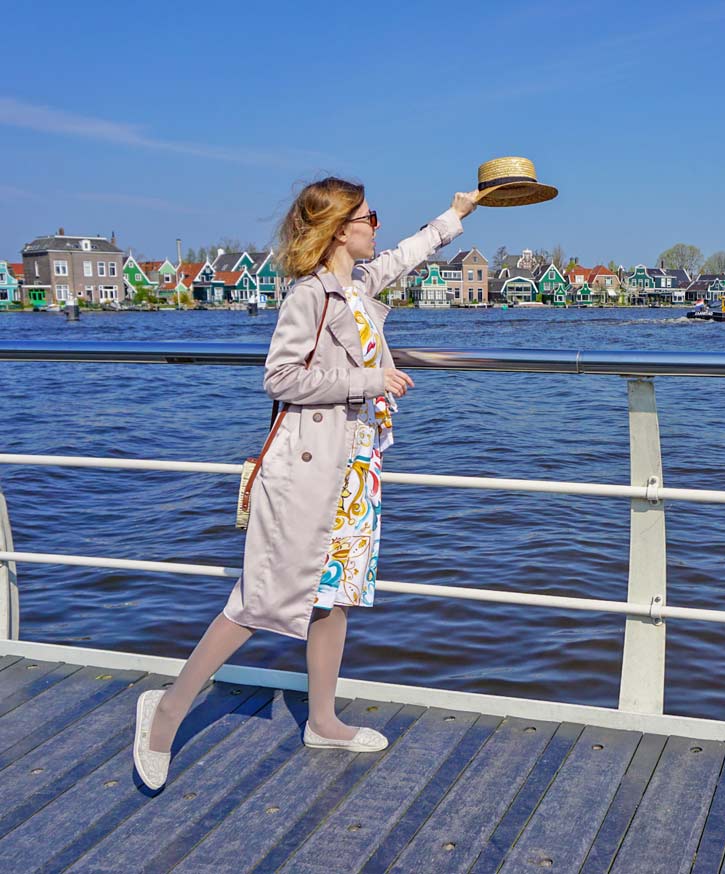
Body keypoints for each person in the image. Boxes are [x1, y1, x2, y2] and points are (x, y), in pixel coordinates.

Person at [133, 177, 478, 790]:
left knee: (336, 594)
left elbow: (406, 254)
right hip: (310, 469)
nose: (378, 226)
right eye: (370, 216)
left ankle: (322, 719)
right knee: (258, 598)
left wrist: (455, 216)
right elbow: (281, 378)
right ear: (341, 226)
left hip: (358, 466)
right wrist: (369, 382)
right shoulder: (309, 296)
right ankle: (165, 711)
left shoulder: (359, 285)